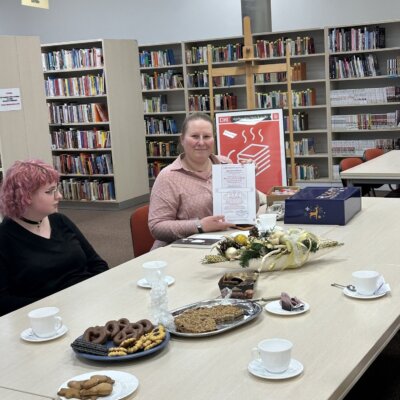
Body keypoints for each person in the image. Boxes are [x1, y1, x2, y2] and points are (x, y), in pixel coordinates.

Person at [0, 160, 108, 316]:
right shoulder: (4, 238)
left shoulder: (59, 220)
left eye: (56, 189)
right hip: (46, 316)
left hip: (87, 301)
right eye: (50, 191)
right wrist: (56, 306)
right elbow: (3, 301)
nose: (59, 196)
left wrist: (95, 293)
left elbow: (98, 264)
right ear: (25, 197)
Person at [148, 113, 258, 249]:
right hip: (181, 250)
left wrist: (248, 181)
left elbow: (248, 212)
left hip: (223, 245)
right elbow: (157, 227)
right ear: (182, 139)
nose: (201, 142)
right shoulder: (168, 177)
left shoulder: (225, 165)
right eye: (194, 136)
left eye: (206, 136)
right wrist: (199, 226)